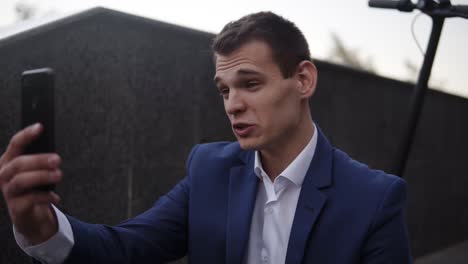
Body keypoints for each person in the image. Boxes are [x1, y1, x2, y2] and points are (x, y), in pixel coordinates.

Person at [0, 11, 412, 264]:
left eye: (250, 83)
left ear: (303, 80)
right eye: (224, 89)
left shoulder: (374, 199)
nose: (233, 104)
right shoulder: (209, 170)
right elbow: (125, 248)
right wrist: (42, 227)